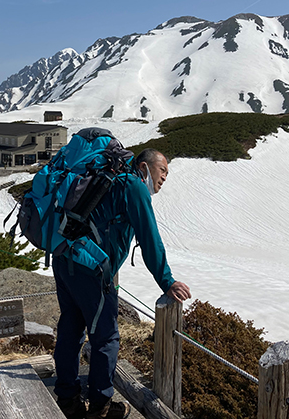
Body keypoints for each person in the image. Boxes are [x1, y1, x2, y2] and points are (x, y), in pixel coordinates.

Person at [52, 148, 191, 419]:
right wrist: (167, 281)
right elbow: (150, 239)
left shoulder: (106, 179)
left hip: (65, 259)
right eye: (162, 170)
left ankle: (67, 399)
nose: (165, 177)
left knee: (71, 329)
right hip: (91, 270)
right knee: (106, 338)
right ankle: (100, 408)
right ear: (144, 166)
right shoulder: (133, 186)